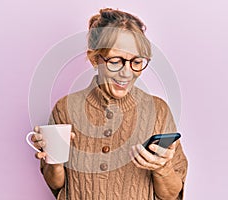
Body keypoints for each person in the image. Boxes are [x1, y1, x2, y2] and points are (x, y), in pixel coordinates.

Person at [31, 8, 188, 200]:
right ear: (94, 59)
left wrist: (162, 168)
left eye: (137, 62)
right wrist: (53, 160)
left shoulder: (158, 110)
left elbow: (172, 194)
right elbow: (56, 184)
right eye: (115, 61)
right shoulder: (65, 108)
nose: (127, 73)